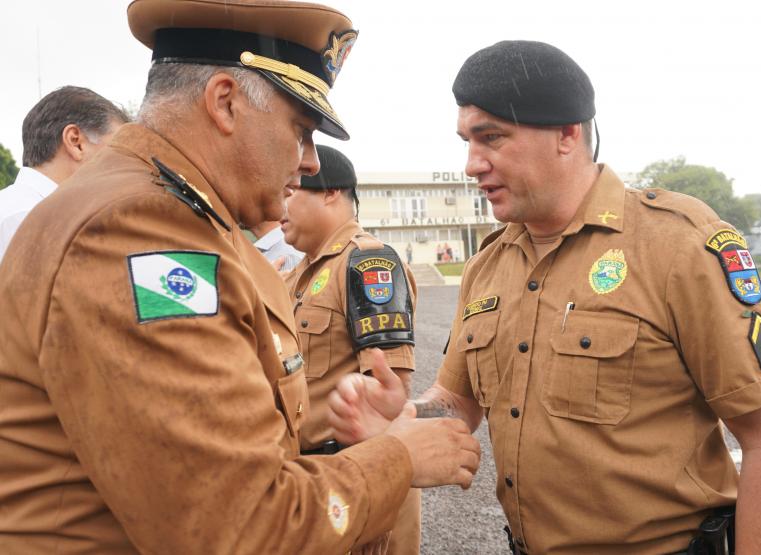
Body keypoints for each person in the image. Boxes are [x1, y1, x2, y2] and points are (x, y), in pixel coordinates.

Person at [0, 1, 479, 553]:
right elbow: (237, 526)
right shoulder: (137, 232)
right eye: (300, 130)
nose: (310, 162)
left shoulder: (186, 218)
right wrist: (398, 459)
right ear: (224, 102)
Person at [328, 40, 761, 554]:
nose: (471, 164)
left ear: (566, 133)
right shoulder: (487, 266)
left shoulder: (677, 244)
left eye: (492, 137)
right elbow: (459, 401)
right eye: (467, 141)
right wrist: (405, 419)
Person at [282, 144, 421, 555]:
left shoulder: (366, 262)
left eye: (293, 192)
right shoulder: (298, 275)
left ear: (331, 192)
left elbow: (388, 393)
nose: (281, 201)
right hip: (312, 478)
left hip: (359, 477)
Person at [0, 86, 128, 262]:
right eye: (115, 150)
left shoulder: (20, 210)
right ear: (75, 142)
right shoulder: (30, 219)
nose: (120, 166)